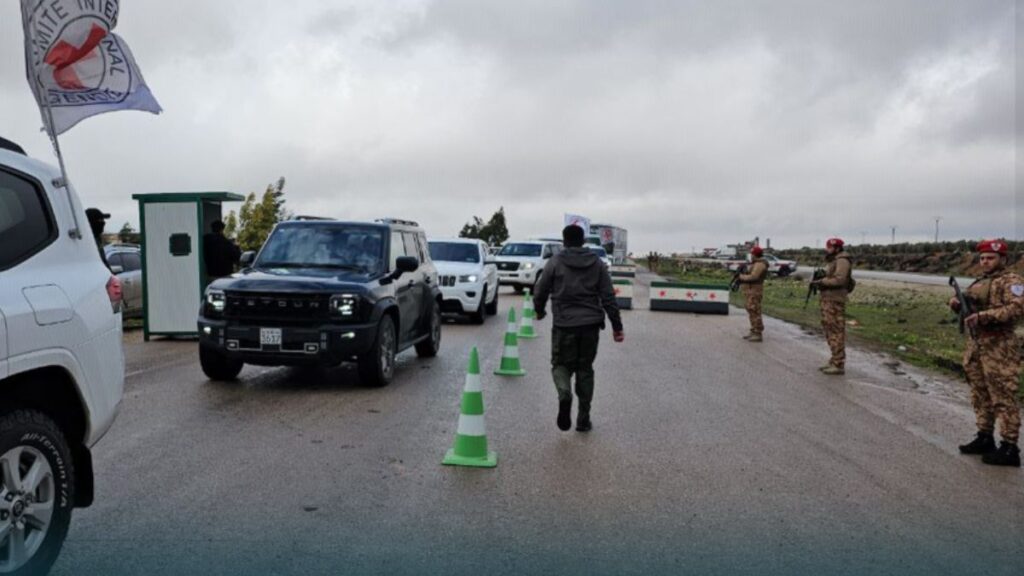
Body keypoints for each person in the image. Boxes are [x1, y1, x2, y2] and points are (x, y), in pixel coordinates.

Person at [534, 225, 625, 432]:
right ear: (583, 241)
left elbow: (540, 290)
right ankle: (583, 419)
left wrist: (539, 310)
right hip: (590, 325)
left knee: (560, 365)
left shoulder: (555, 262)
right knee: (585, 370)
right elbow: (608, 297)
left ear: (564, 241)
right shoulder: (597, 263)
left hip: (564, 325)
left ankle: (564, 393)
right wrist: (617, 327)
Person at [949, 239, 1023, 467]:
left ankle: (1010, 447)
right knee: (980, 394)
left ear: (1002, 259)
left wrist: (984, 317)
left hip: (1000, 347)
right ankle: (985, 436)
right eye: (982, 258)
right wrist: (956, 304)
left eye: (990, 258)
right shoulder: (981, 282)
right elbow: (970, 304)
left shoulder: (1012, 281)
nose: (985, 262)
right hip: (978, 345)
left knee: (1003, 395)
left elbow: (1017, 308)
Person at [811, 238, 852, 375]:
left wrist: (822, 281)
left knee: (836, 330)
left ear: (836, 248)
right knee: (829, 329)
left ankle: (838, 363)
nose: (827, 249)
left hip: (835, 300)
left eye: (829, 247)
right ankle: (835, 359)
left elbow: (840, 279)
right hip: (828, 299)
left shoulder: (842, 260)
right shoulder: (834, 260)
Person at [737, 245, 769, 342]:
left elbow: (754, 277)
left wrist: (742, 277)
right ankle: (753, 330)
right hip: (751, 290)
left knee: (755, 310)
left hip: (755, 290)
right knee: (751, 309)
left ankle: (758, 332)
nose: (751, 255)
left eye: (752, 253)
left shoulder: (760, 264)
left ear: (755, 254)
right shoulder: (756, 263)